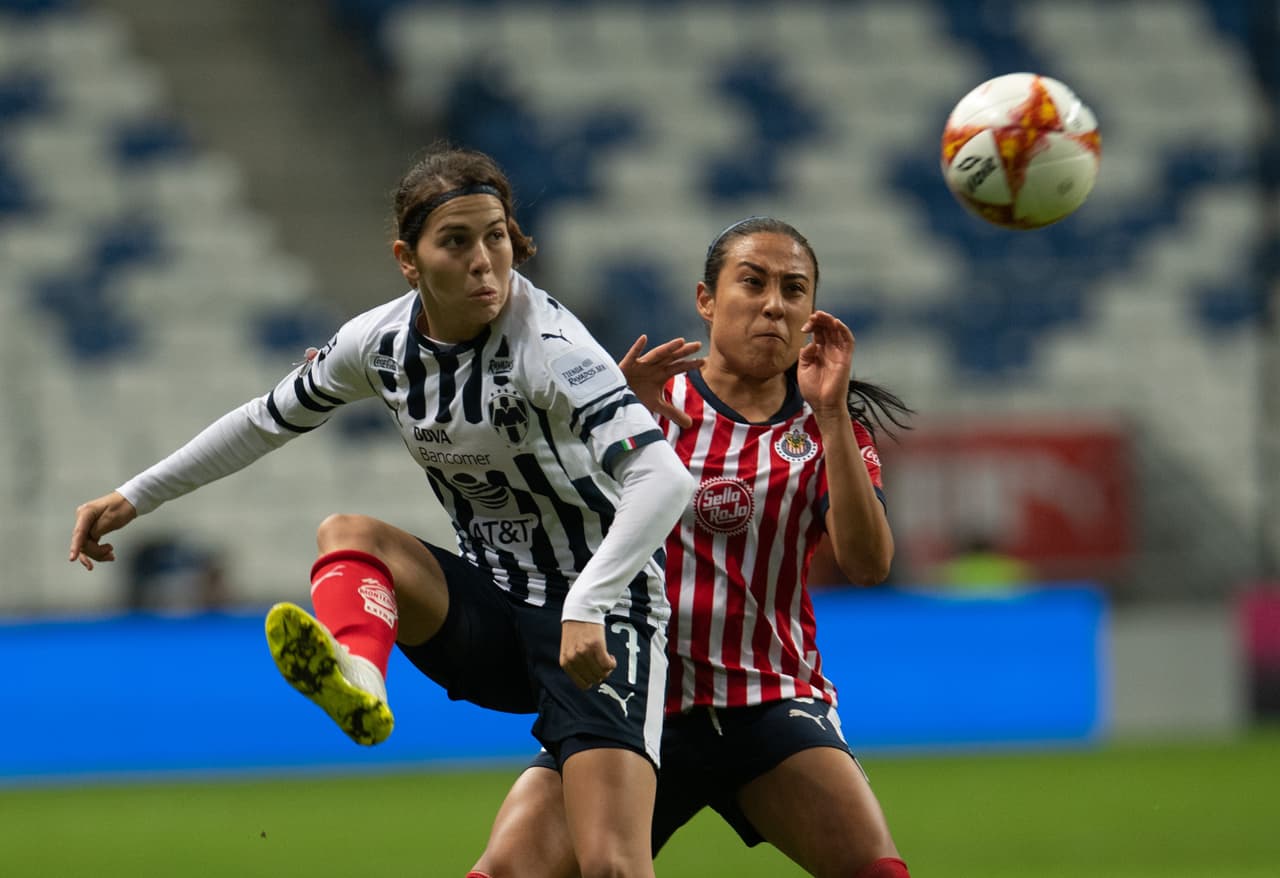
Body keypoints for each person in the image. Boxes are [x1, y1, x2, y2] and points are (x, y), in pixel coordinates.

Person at [67, 145, 696, 878]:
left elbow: (665, 481)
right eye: (456, 242)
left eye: (495, 236)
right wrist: (133, 495)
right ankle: (361, 680)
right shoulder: (380, 344)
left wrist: (590, 601)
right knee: (348, 534)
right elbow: (262, 419)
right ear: (409, 258)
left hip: (600, 623)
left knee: (607, 865)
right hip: (496, 610)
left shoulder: (552, 348)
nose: (484, 261)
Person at [470, 217, 914, 878]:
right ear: (706, 300)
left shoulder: (826, 426)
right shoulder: (643, 403)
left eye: (794, 290)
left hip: (769, 703)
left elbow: (870, 564)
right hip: (628, 700)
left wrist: (830, 413)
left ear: (810, 314)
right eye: (753, 282)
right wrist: (595, 432)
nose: (774, 303)